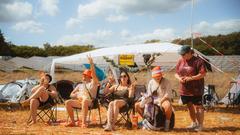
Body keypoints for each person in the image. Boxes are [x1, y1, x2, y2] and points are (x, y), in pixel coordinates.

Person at [175, 45, 206, 131]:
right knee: (189, 106)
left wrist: (191, 78)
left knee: (198, 106)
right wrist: (179, 79)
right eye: (181, 54)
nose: (182, 56)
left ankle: (200, 125)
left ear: (189, 53)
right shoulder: (180, 61)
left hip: (196, 89)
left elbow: (203, 74)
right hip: (185, 90)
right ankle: (193, 123)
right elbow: (176, 73)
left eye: (183, 54)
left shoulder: (198, 61)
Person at [135, 66, 173, 131]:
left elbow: (167, 94)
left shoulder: (167, 81)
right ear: (153, 76)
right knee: (137, 105)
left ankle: (167, 124)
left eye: (159, 75)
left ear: (161, 75)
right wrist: (143, 97)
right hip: (152, 100)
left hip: (163, 99)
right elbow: (149, 94)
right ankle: (147, 121)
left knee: (168, 105)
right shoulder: (151, 82)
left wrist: (161, 101)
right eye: (156, 76)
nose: (158, 77)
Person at [64, 56, 99, 128]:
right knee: (67, 102)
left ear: (90, 77)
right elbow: (71, 95)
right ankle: (73, 122)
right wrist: (77, 95)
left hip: (91, 102)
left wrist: (91, 64)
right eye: (83, 75)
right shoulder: (79, 85)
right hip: (80, 101)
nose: (84, 76)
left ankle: (84, 122)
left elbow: (94, 74)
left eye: (85, 75)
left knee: (85, 101)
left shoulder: (93, 83)